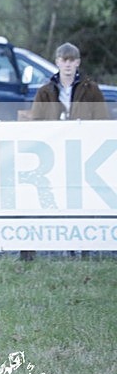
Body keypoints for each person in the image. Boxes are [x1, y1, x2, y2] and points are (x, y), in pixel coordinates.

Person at [21, 42, 110, 261]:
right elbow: (36, 121)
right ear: (57, 62)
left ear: (78, 62)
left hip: (83, 151)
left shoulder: (91, 89)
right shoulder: (45, 90)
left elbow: (103, 120)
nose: (68, 64)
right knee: (58, 196)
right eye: (64, 60)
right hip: (54, 152)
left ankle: (85, 248)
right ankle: (64, 245)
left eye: (72, 60)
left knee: (83, 197)